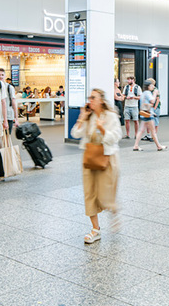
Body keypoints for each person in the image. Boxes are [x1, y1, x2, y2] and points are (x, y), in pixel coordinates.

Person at [71, 88, 121, 244]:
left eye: (93, 97)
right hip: (90, 159)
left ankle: (113, 211)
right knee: (90, 194)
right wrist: (82, 118)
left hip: (107, 159)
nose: (90, 100)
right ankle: (95, 230)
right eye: (89, 97)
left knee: (105, 195)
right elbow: (75, 134)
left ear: (101, 100)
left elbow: (116, 136)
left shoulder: (111, 116)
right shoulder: (89, 116)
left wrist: (102, 129)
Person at [133, 79, 166, 151]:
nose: (153, 87)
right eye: (152, 85)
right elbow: (152, 101)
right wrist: (155, 93)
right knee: (153, 131)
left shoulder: (143, 93)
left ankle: (136, 145)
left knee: (141, 130)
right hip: (149, 115)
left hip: (144, 114)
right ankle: (159, 146)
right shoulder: (148, 93)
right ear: (148, 86)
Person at [0, 67, 18, 134]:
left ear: (5, 76)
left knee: (7, 136)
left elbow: (14, 102)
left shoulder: (9, 87)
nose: (0, 76)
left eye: (2, 75)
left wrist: (16, 118)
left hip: (8, 115)